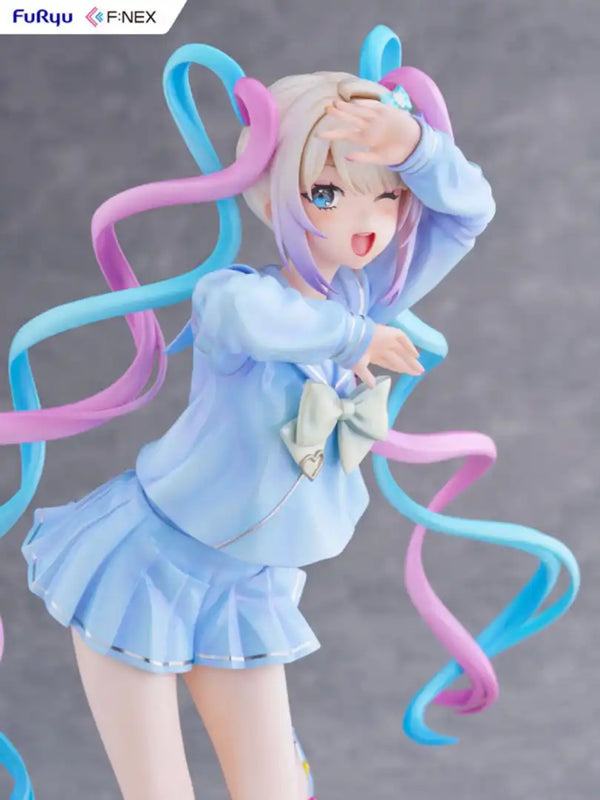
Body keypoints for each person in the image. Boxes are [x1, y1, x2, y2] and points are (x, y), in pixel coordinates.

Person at [0, 25, 579, 800]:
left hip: (249, 587)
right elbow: (255, 321)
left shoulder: (367, 296)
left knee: (275, 788)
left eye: (388, 194)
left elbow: (469, 213)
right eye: (327, 193)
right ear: (272, 193)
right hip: (145, 565)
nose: (366, 218)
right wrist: (354, 338)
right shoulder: (237, 297)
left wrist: (416, 148)